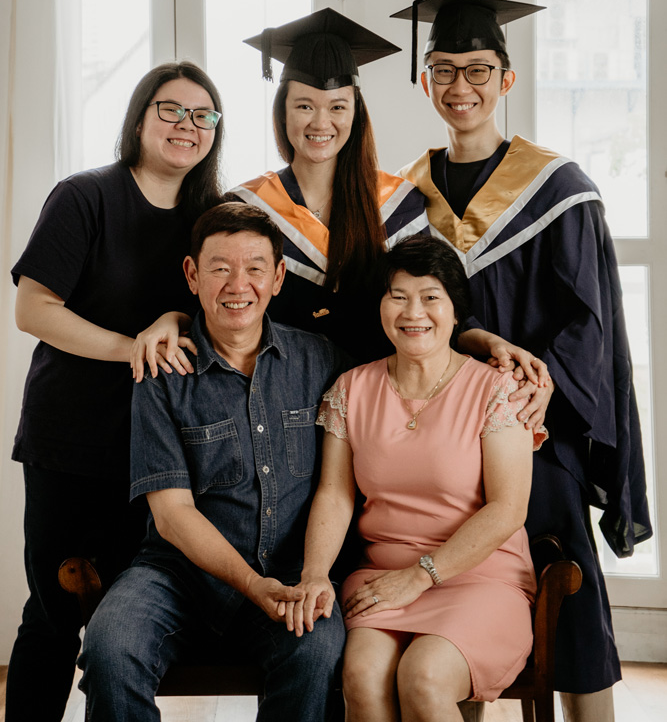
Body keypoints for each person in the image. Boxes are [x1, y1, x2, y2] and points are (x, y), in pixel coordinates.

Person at [394, 0, 653, 722]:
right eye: (442, 69)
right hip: (440, 429)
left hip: (535, 423)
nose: (459, 86)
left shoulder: (557, 189)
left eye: (477, 70)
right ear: (425, 81)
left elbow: (586, 322)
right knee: (447, 576)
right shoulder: (404, 198)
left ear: (506, 80)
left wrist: (528, 392)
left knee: (559, 559)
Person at [7, 61, 224, 722]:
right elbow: (33, 308)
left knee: (131, 618)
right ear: (138, 119)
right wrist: (131, 345)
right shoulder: (85, 196)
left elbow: (225, 303)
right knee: (53, 610)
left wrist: (173, 319)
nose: (185, 126)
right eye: (169, 110)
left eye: (202, 115)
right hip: (70, 439)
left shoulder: (211, 214)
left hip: (163, 451)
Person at [78, 202, 348, 722]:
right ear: (192, 275)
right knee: (110, 647)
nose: (237, 284)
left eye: (254, 268)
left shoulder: (322, 361)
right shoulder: (162, 371)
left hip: (289, 569)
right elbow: (172, 514)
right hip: (178, 575)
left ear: (278, 277)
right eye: (220, 268)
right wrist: (249, 583)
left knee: (315, 652)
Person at [288, 234, 545, 722]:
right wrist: (316, 573)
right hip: (381, 577)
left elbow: (508, 509)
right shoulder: (352, 387)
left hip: (480, 577)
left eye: (430, 297)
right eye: (398, 296)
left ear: (454, 311)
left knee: (423, 677)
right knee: (361, 678)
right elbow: (335, 495)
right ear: (381, 307)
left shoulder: (497, 388)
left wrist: (421, 576)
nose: (413, 312)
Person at [228, 7, 431, 362]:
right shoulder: (246, 208)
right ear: (283, 112)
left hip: (380, 397)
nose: (321, 122)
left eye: (337, 107)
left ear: (356, 113)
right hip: (279, 401)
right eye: (304, 106)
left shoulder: (401, 205)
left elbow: (425, 308)